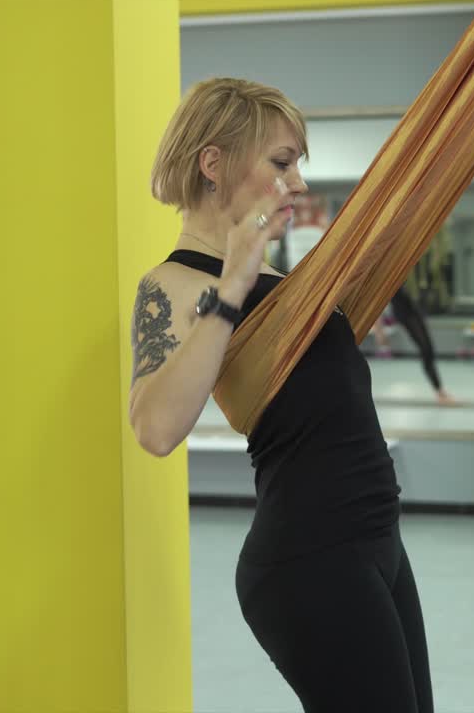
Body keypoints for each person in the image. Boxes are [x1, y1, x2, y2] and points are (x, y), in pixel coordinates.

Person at [127, 77, 434, 713]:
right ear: (213, 162)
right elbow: (155, 428)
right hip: (308, 561)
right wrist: (232, 285)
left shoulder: (291, 284)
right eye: (282, 162)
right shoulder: (176, 285)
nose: (297, 184)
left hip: (376, 543)